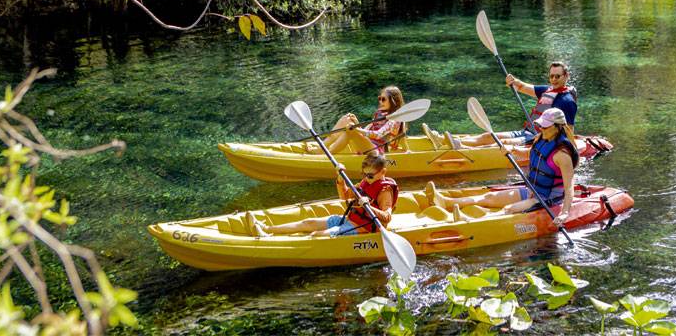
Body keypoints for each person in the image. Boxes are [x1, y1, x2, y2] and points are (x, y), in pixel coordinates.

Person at [424, 108, 578, 225]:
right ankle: (446, 202)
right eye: (541, 125)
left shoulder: (563, 155)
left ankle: (469, 222)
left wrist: (565, 212)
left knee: (509, 209)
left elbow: (569, 186)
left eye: (545, 126)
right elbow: (532, 154)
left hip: (547, 198)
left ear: (558, 127)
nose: (541, 128)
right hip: (532, 189)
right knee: (488, 197)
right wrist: (513, 150)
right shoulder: (542, 138)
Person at [424, 62, 577, 149]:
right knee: (488, 136)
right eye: (551, 76)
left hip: (539, 140)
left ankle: (463, 148)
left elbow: (569, 131)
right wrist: (512, 80)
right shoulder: (546, 90)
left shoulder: (567, 101)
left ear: (566, 76)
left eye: (558, 76)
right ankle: (444, 141)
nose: (554, 79)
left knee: (502, 143)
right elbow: (521, 87)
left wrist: (568, 151)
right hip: (527, 132)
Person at [246, 151, 398, 237]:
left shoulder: (385, 191)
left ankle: (272, 241)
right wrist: (340, 179)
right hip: (349, 219)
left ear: (383, 172)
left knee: (317, 234)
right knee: (308, 223)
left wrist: (368, 205)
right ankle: (266, 229)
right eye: (364, 174)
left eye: (370, 175)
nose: (366, 177)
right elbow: (344, 196)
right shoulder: (366, 182)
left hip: (364, 228)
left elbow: (387, 217)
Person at [323, 86, 406, 154]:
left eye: (383, 99)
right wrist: (356, 123)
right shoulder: (379, 114)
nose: (380, 102)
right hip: (367, 145)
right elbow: (366, 131)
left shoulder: (394, 120)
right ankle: (323, 147)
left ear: (393, 101)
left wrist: (356, 129)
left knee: (351, 132)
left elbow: (378, 135)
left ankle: (327, 154)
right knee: (347, 119)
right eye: (379, 98)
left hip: (377, 151)